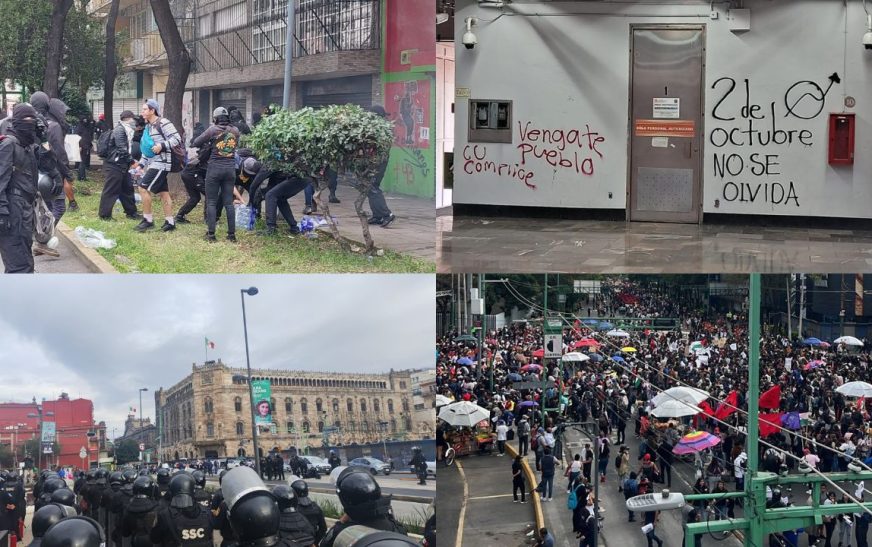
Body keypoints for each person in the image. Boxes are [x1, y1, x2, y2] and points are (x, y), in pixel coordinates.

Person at [319, 467, 407, 547]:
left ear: (345, 499)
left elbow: (323, 544)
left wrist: (340, 523)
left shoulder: (340, 533)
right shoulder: (397, 528)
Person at [0, 103, 40, 273]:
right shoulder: (9, 144)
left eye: (32, 119)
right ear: (15, 121)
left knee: (25, 257)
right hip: (11, 209)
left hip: (25, 208)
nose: (29, 122)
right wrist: (2, 212)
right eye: (25, 119)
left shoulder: (28, 145)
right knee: (17, 263)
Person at [191, 107, 240, 241]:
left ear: (215, 118)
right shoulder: (235, 131)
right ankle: (231, 235)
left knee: (211, 202)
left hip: (214, 169)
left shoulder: (212, 130)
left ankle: (211, 235)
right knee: (228, 203)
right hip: (230, 169)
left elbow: (195, 142)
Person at [134, 99, 180, 233]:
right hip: (155, 163)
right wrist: (141, 165)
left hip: (162, 163)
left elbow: (177, 138)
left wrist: (162, 145)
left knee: (142, 188)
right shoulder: (148, 127)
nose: (142, 112)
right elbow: (148, 150)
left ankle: (148, 220)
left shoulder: (163, 123)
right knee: (164, 193)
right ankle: (170, 222)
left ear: (152, 110)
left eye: (144, 109)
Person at [150, 473, 212, 547]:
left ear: (171, 491)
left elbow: (154, 539)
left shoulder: (165, 515)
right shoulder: (207, 512)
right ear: (193, 491)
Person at [99, 110, 140, 221]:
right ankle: (104, 215)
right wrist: (132, 162)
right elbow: (122, 148)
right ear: (128, 119)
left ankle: (131, 212)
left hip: (121, 164)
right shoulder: (119, 130)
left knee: (127, 189)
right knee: (111, 190)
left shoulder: (126, 130)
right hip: (114, 164)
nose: (134, 122)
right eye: (133, 119)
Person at [363, 105, 394, 228]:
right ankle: (377, 216)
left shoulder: (381, 129)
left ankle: (387, 215)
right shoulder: (380, 127)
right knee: (369, 187)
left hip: (378, 162)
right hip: (376, 161)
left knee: (373, 187)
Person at [291, 479, 326, 543]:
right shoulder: (315, 507)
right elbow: (323, 528)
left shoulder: (292, 509)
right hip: (313, 541)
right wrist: (315, 542)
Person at [76, 115, 95, 181]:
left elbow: (88, 136)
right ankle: (82, 177)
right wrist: (79, 146)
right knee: (82, 162)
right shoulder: (80, 127)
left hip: (86, 145)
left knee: (83, 162)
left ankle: (81, 177)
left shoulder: (86, 127)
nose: (85, 121)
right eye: (84, 120)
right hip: (82, 146)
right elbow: (78, 137)